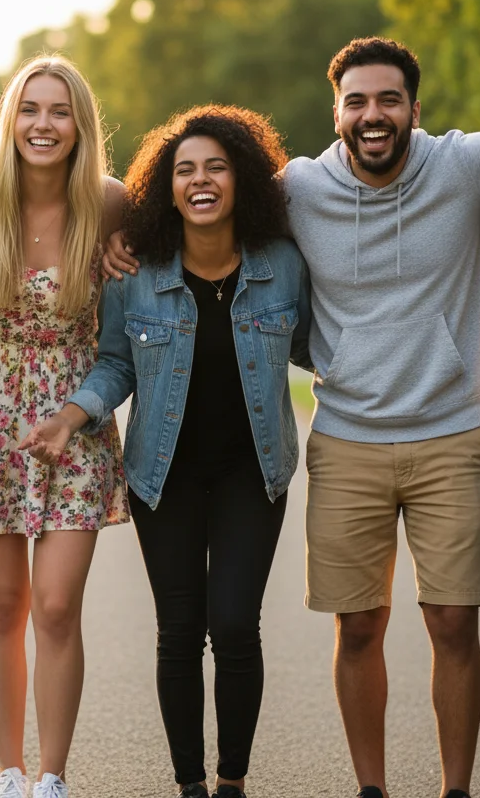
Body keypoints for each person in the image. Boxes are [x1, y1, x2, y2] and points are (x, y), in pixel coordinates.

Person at [102, 36, 480, 798]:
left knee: (452, 626)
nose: (374, 115)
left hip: (450, 438)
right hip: (347, 441)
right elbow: (208, 199)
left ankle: (455, 789)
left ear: (415, 109)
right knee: (358, 628)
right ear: (336, 112)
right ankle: (371, 789)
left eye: (389, 100)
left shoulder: (465, 163)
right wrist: (128, 240)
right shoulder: (299, 187)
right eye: (357, 101)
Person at [25, 106, 311, 798]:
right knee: (180, 631)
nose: (201, 180)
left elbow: (318, 345)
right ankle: (189, 785)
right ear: (169, 187)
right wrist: (72, 414)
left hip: (254, 472)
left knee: (236, 625)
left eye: (216, 167)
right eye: (185, 170)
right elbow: (115, 364)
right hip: (164, 475)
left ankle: (231, 781)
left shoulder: (283, 265)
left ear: (241, 179)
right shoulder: (138, 273)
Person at [0, 55, 129, 798]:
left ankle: (53, 776)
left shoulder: (110, 203)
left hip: (74, 417)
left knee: (55, 603)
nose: (44, 125)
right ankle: (9, 770)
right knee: (2, 605)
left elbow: (180, 253)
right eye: (31, 109)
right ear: (10, 120)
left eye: (60, 111)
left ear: (81, 126)